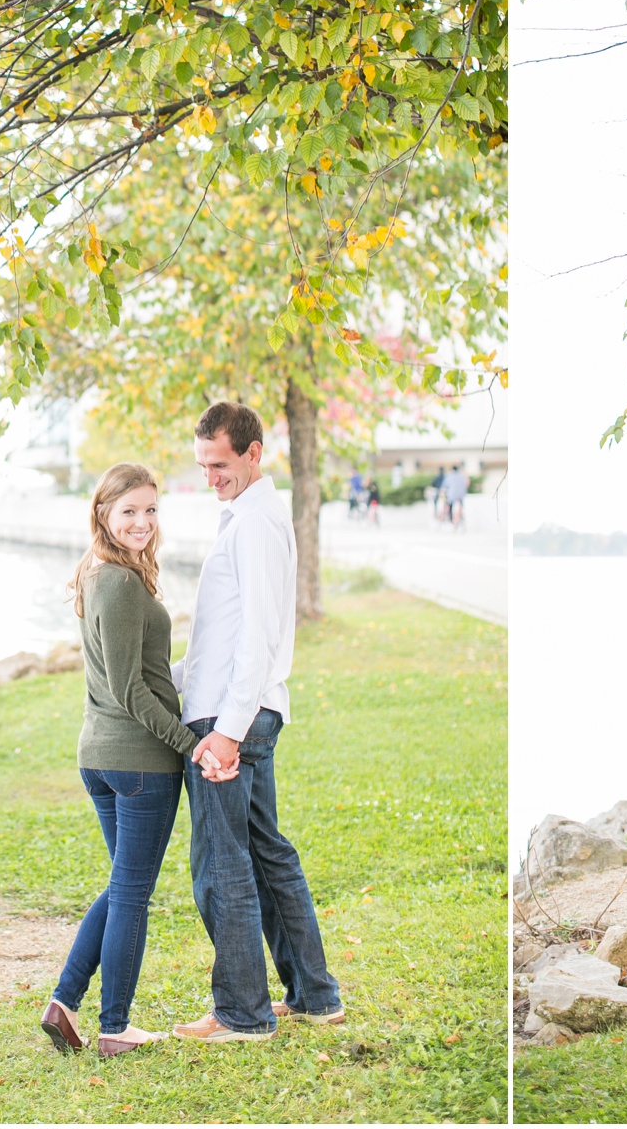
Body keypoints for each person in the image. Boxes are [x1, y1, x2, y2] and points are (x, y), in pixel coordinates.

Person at [43, 463, 236, 1060]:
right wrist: (192, 742)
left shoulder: (102, 574)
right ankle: (115, 1025)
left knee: (121, 886)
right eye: (129, 511)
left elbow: (140, 677)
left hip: (100, 755)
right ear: (103, 513)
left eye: (151, 510)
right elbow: (132, 690)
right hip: (138, 763)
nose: (142, 522)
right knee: (131, 893)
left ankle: (63, 1003)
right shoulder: (121, 585)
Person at [171, 401, 344, 1042]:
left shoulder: (256, 525)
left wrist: (227, 729)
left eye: (220, 465)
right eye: (203, 466)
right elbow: (219, 636)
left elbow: (258, 636)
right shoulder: (246, 517)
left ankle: (243, 1011)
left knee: (223, 862)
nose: (210, 477)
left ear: (253, 452)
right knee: (267, 854)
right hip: (234, 709)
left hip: (233, 716)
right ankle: (315, 995)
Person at [444, 464, 468, 531]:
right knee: (461, 506)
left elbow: (445, 485)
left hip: (452, 496)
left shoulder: (449, 476)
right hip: (461, 495)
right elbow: (465, 485)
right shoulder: (462, 476)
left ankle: (451, 520)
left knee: (450, 507)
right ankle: (462, 519)